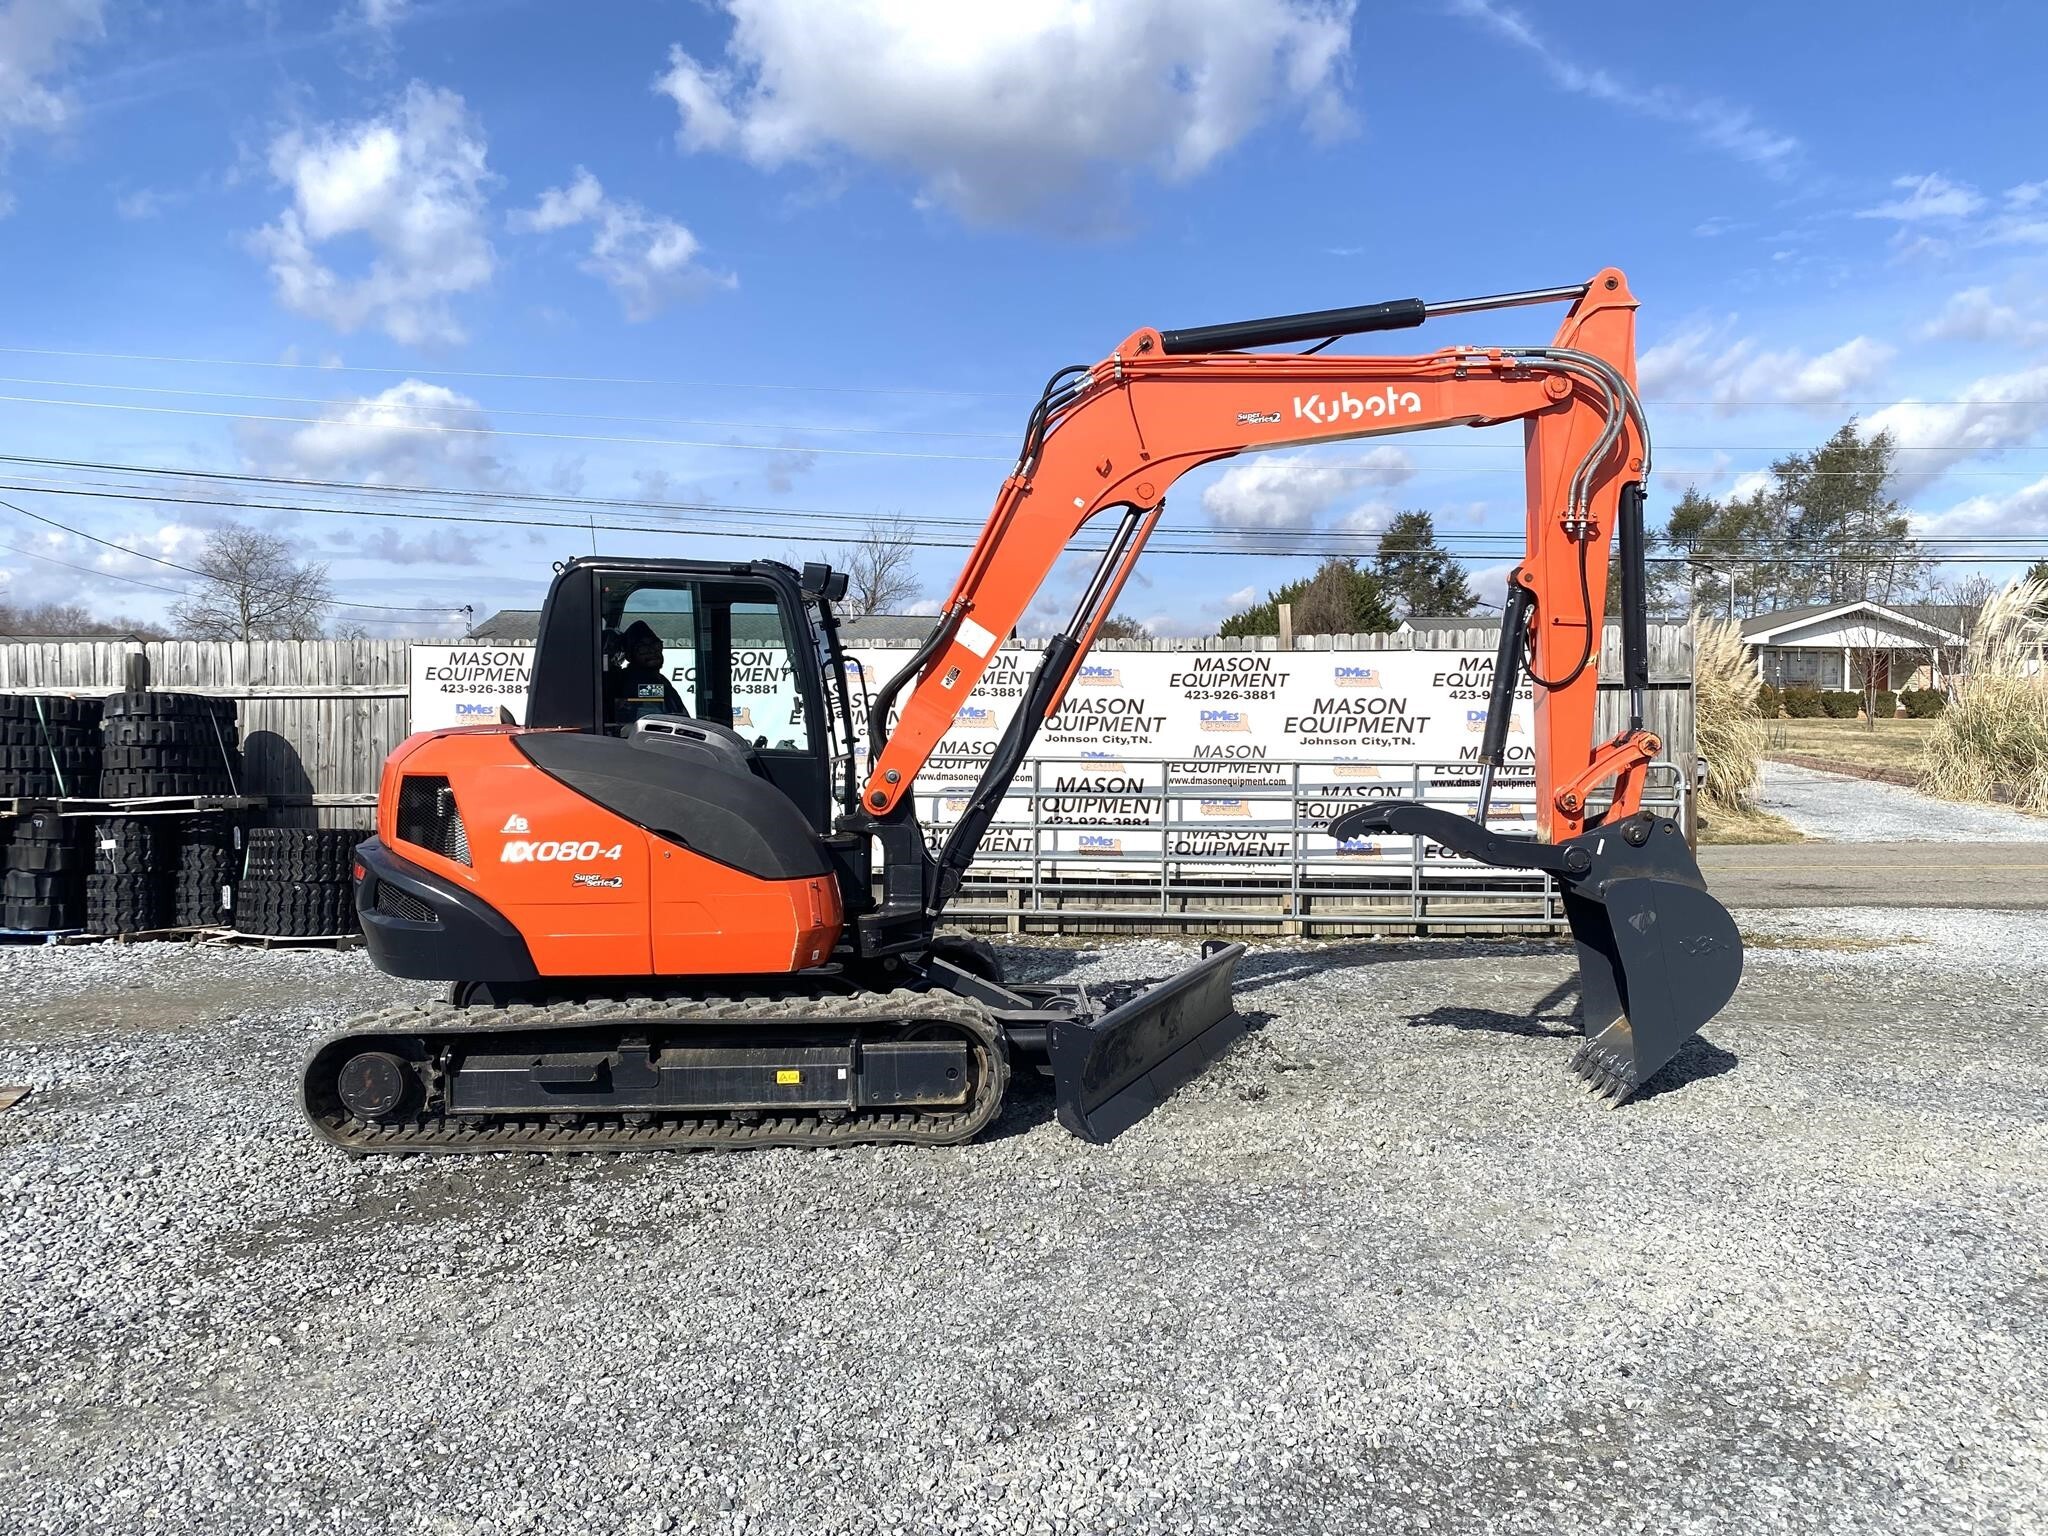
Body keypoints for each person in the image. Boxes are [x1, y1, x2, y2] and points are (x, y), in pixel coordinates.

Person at [604, 619, 686, 730]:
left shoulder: (659, 680)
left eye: (655, 645)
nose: (652, 651)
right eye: (642, 648)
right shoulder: (636, 683)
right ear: (629, 656)